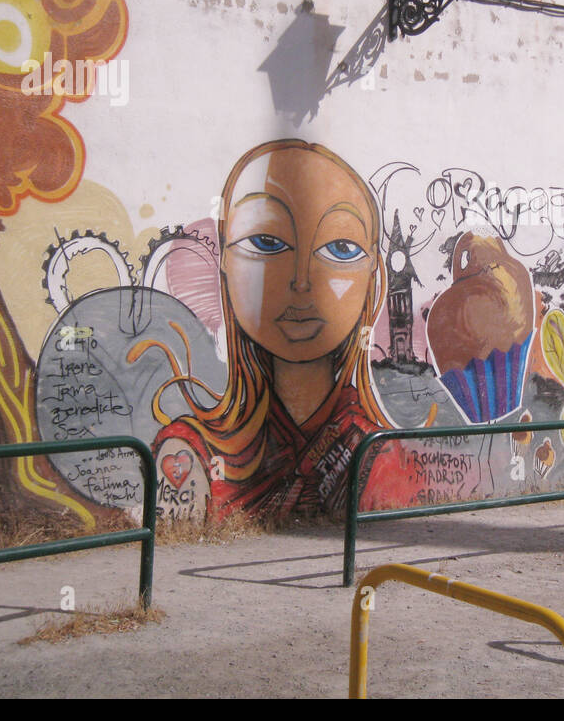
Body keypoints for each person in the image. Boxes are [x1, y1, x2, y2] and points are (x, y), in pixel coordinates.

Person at [142, 139, 394, 523]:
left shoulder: (384, 454)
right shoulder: (192, 451)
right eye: (267, 242)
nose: (302, 282)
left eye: (341, 248)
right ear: (222, 259)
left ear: (373, 272)